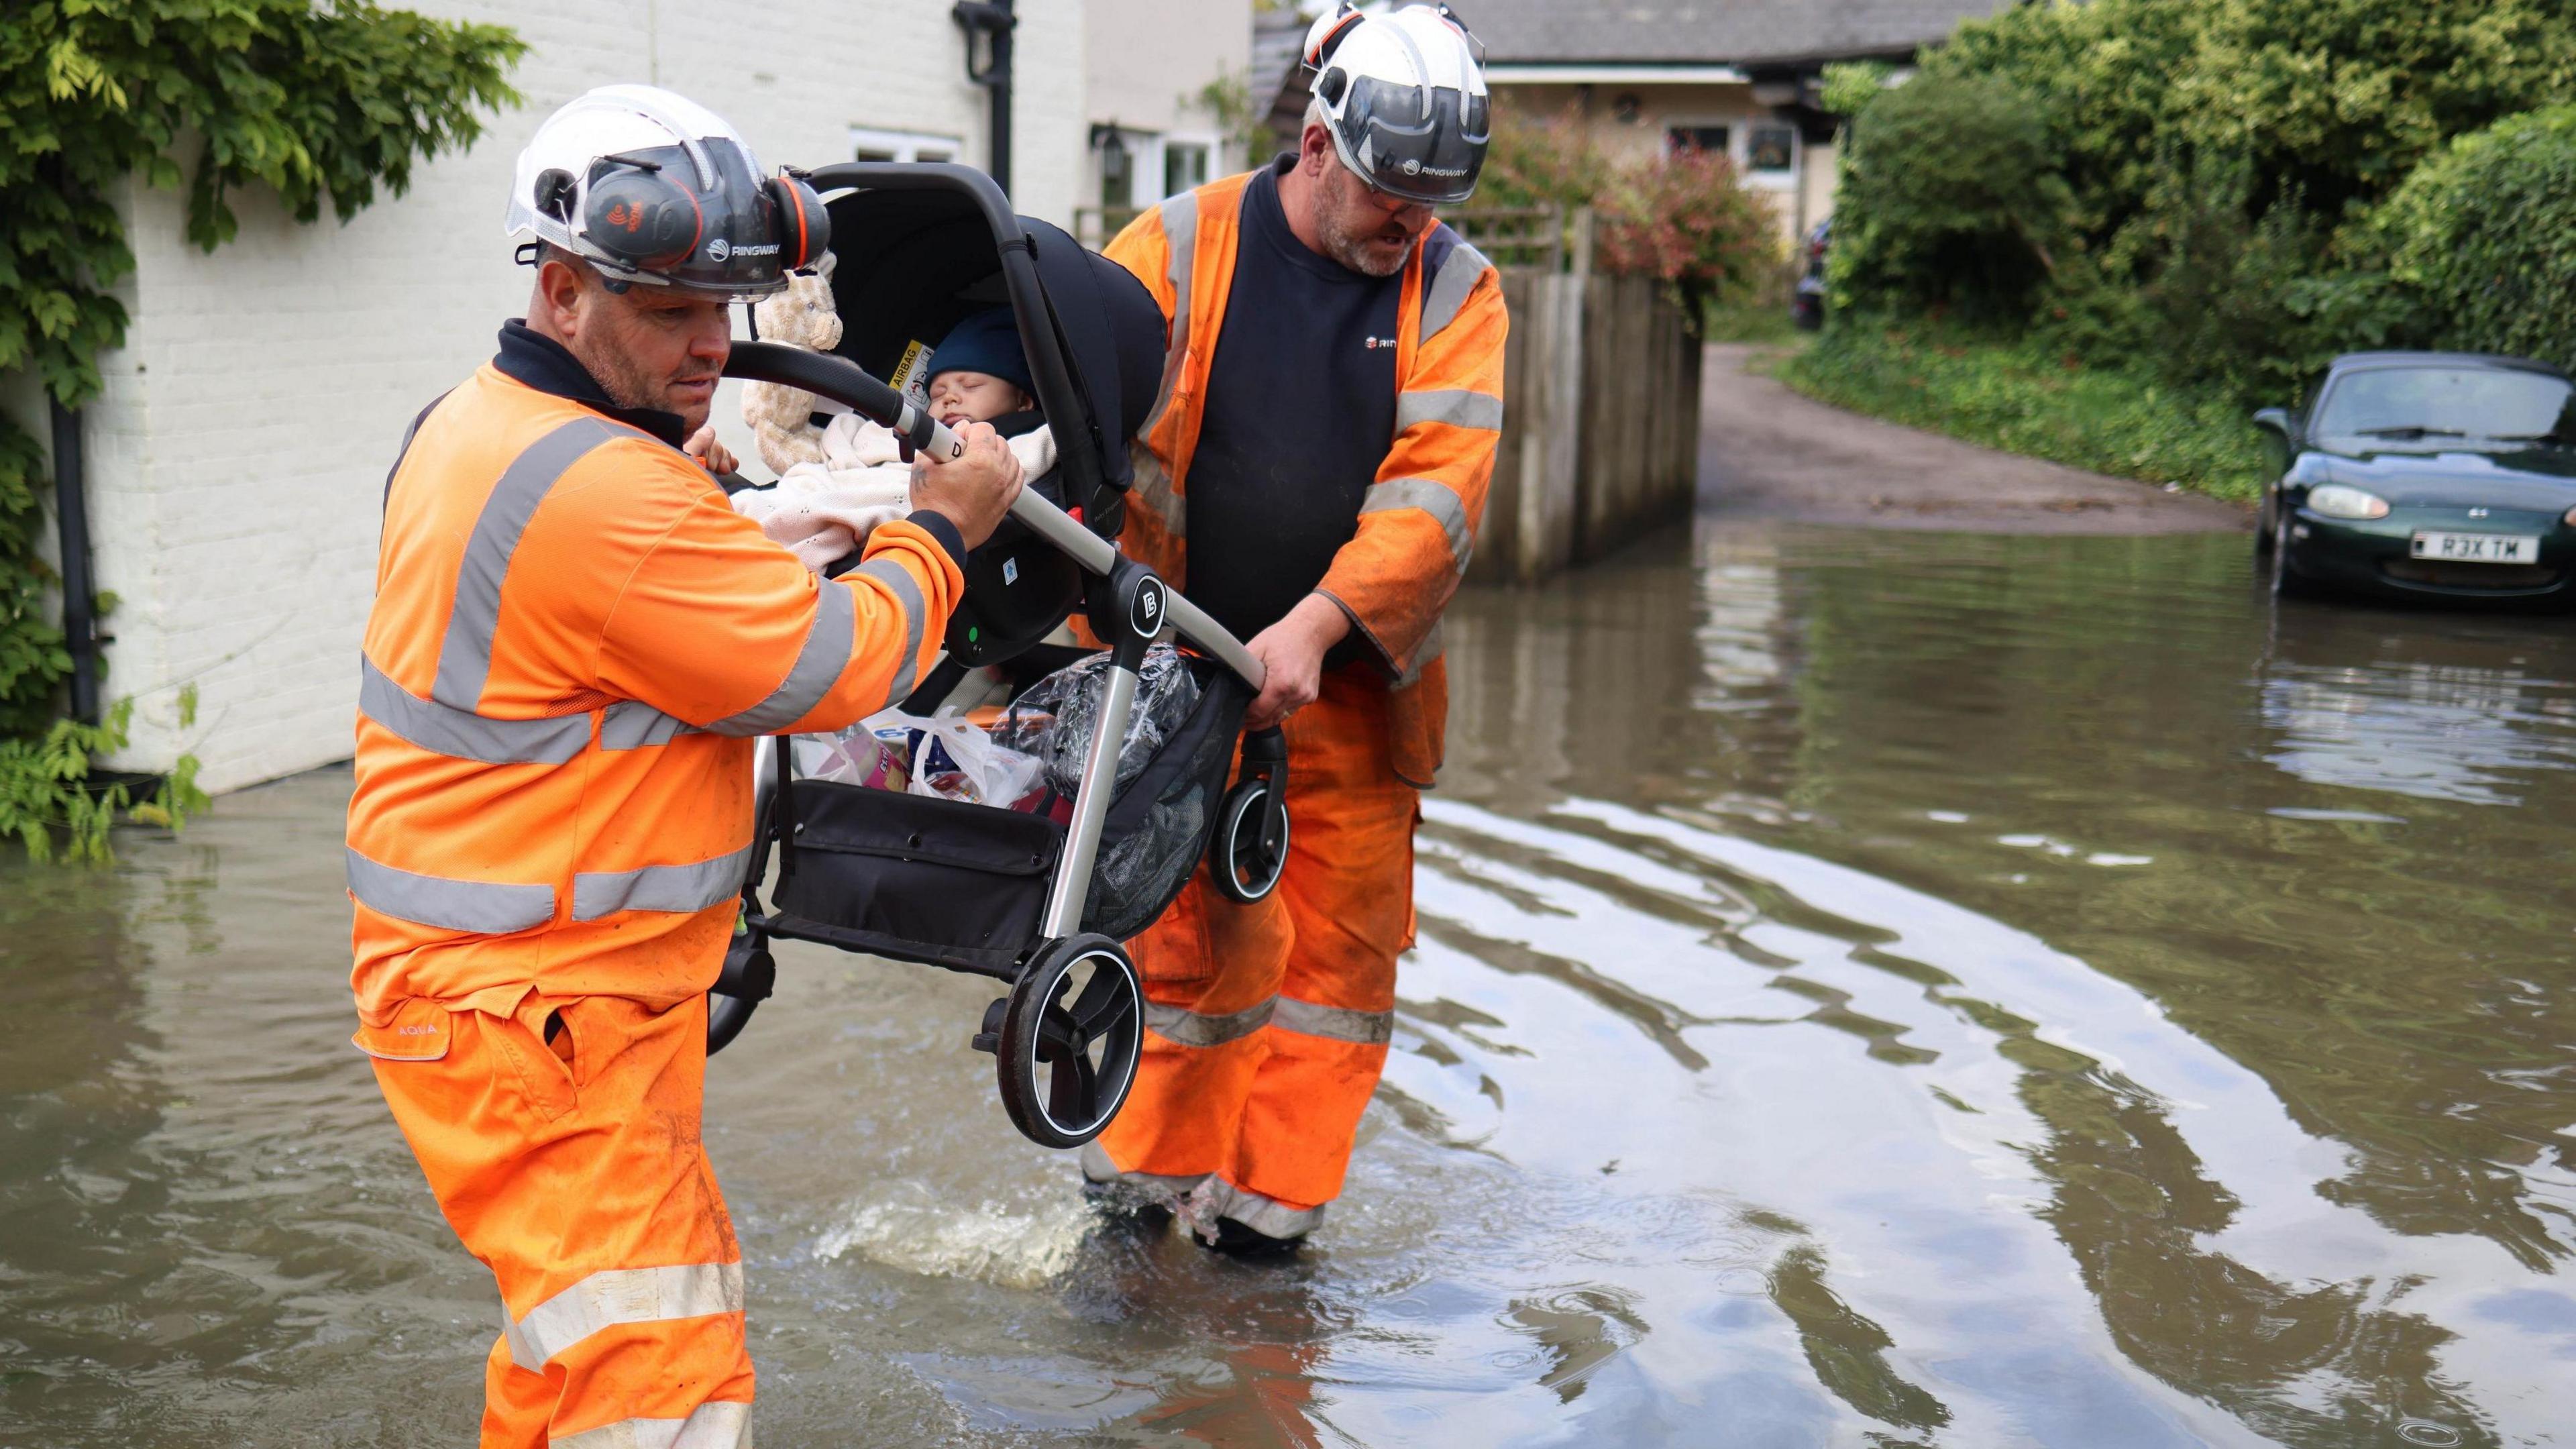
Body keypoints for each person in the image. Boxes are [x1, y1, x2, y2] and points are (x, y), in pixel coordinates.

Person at [345, 85, 1022, 1448]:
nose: (712, 346)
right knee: (662, 1396)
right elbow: (836, 665)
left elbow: (597, 620)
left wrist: (662, 443)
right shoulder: (605, 490)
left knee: (572, 1373)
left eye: (726, 309)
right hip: (540, 1011)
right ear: (559, 288)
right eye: (669, 315)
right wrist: (941, 529)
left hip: (519, 995)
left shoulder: (473, 421)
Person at [1083, 2, 1507, 1254]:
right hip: (1178, 680)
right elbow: (1084, 422)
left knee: (1336, 980)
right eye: (1388, 193)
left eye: (1431, 201)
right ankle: (1137, 1222)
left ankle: (1269, 1250)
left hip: (1356, 700)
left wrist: (1318, 632)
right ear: (1318, 146)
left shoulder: (1459, 287)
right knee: (1180, 961)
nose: (1409, 223)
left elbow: (1436, 501)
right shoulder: (1174, 244)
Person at [734, 307, 1057, 572]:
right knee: (783, 501)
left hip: (909, 504)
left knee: (800, 519)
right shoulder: (905, 433)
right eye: (937, 393)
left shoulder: (1014, 444)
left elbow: (1039, 452)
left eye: (970, 386)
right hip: (851, 482)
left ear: (1023, 401)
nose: (950, 400)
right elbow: (852, 444)